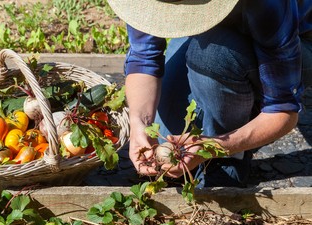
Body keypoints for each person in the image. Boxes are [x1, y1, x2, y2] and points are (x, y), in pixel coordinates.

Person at [106, 0, 312, 187]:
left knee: (212, 56)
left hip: (295, 40)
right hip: (208, 34)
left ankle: (230, 159)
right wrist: (140, 124)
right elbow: (144, 58)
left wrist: (214, 146)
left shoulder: (269, 5)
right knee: (164, 138)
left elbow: (284, 111)